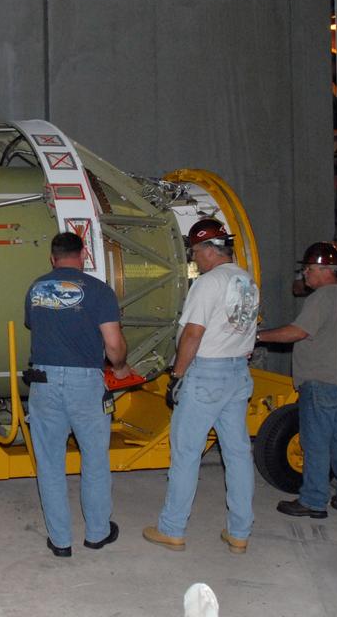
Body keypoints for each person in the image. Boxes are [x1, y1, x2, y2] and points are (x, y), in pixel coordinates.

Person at [144, 219, 259, 555]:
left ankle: (172, 529)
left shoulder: (209, 284)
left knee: (186, 453)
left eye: (196, 253)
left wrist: (177, 376)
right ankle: (239, 532)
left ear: (210, 250)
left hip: (206, 374)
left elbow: (193, 334)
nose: (195, 260)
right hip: (238, 373)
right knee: (237, 455)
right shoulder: (247, 281)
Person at [24, 231, 134, 558]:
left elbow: (39, 328)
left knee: (50, 463)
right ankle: (97, 534)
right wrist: (121, 366)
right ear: (83, 254)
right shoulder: (100, 291)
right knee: (95, 459)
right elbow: (113, 345)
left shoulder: (36, 289)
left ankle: (60, 541)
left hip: (43, 382)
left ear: (52, 257)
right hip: (85, 383)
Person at [255, 241, 337, 517]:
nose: (304, 275)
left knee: (314, 444)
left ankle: (313, 501)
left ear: (322, 269)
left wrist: (257, 336)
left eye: (307, 269)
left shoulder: (322, 298)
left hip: (319, 383)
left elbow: (297, 332)